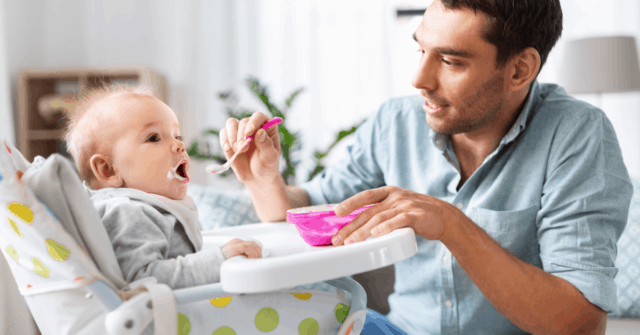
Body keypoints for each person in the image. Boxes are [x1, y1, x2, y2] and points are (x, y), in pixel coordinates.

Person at [219, 0, 633, 334]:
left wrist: (451, 225)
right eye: (420, 50)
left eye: (451, 62)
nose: (419, 79)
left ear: (519, 70)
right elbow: (306, 213)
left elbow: (581, 323)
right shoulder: (394, 123)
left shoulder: (577, 134)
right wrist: (264, 180)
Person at [64, 85, 262, 289]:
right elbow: (142, 280)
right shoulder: (129, 212)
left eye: (177, 136)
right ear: (108, 170)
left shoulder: (150, 209)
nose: (179, 146)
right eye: (154, 138)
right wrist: (220, 259)